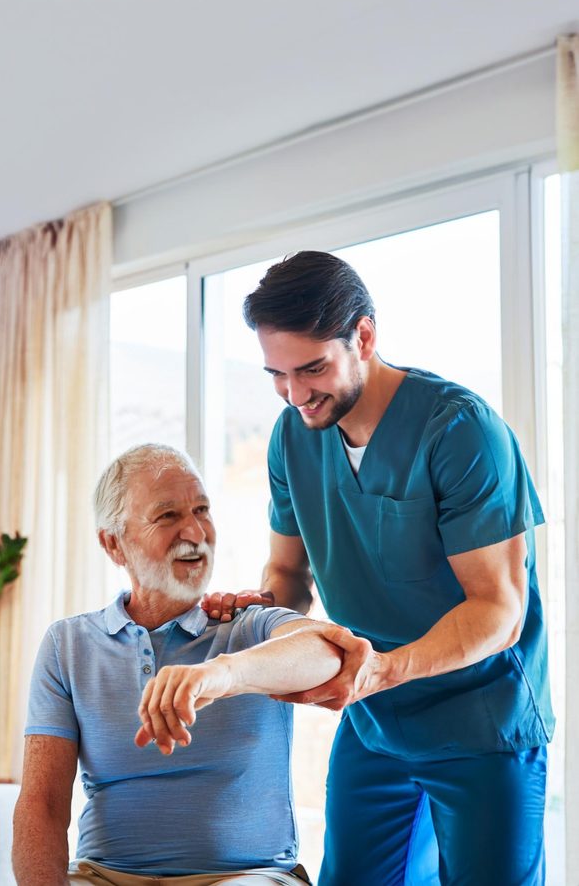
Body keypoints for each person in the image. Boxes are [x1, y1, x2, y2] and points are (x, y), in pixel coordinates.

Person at [146, 251, 553, 886]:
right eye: (277, 374)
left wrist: (382, 670)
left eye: (312, 369)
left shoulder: (460, 431)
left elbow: (499, 609)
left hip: (480, 717)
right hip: (374, 717)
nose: (296, 395)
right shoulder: (291, 437)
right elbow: (288, 577)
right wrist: (258, 611)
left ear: (363, 336)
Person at [12, 443, 347, 886]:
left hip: (245, 876)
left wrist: (223, 673)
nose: (194, 530)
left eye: (201, 509)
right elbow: (42, 806)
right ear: (113, 544)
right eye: (167, 515)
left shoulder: (249, 627)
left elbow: (328, 651)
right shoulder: (68, 645)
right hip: (106, 876)